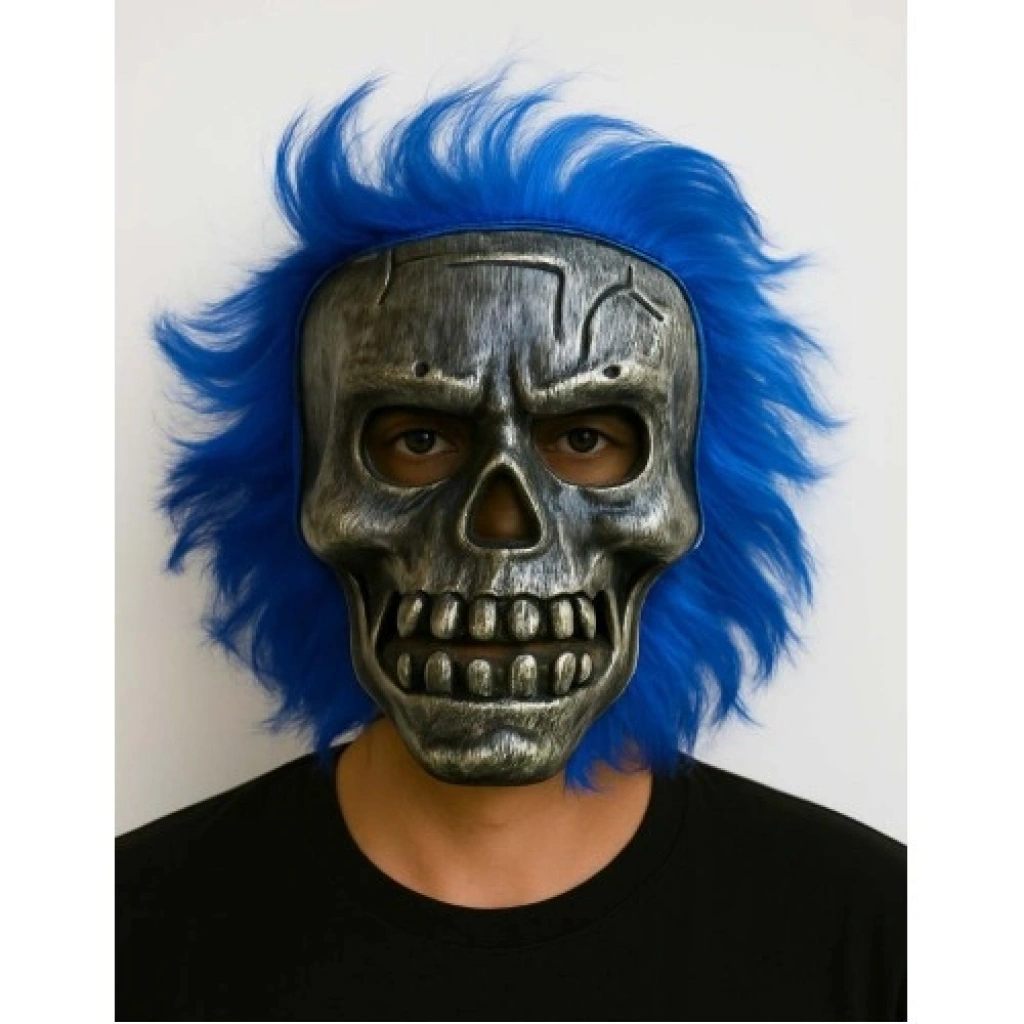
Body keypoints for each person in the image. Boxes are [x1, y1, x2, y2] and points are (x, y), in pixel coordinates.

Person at [117, 77, 906, 1021]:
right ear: (301, 485)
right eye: (417, 438)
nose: (501, 528)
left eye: (585, 437)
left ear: (697, 492)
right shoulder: (117, 938)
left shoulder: (886, 937)